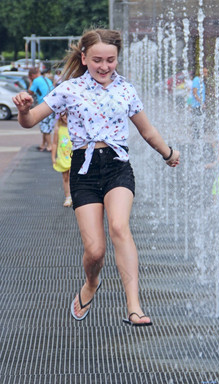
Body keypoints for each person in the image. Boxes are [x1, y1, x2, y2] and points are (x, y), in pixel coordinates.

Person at [12, 28, 180, 326]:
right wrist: (24, 110)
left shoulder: (126, 89)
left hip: (117, 164)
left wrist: (168, 153)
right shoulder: (68, 89)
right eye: (98, 60)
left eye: (111, 60)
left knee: (119, 226)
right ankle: (91, 283)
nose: (105, 66)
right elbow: (30, 122)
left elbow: (146, 130)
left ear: (117, 59)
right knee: (95, 251)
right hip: (84, 170)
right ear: (84, 58)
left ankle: (134, 307)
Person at [28, 67, 55, 151]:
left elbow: (30, 92)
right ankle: (43, 144)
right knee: (46, 126)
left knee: (45, 127)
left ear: (32, 75)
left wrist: (31, 82)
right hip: (52, 105)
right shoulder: (46, 79)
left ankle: (49, 146)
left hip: (44, 105)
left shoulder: (35, 81)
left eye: (30, 77)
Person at [51, 111, 72, 207]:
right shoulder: (58, 129)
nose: (65, 117)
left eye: (67, 114)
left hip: (74, 156)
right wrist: (53, 156)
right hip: (63, 156)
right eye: (63, 115)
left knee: (74, 177)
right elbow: (55, 143)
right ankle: (67, 197)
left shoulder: (75, 128)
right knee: (65, 177)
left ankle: (75, 196)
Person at [190, 67, 207, 138]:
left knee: (200, 120)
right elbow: (194, 92)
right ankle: (196, 136)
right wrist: (201, 103)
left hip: (199, 104)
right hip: (196, 105)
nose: (207, 74)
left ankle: (198, 136)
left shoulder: (201, 80)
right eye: (205, 72)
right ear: (201, 72)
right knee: (197, 121)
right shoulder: (196, 79)